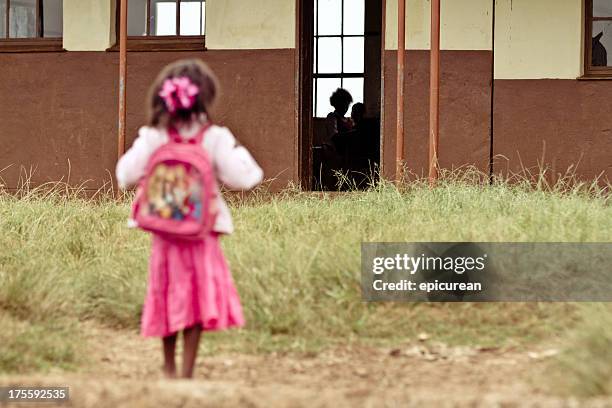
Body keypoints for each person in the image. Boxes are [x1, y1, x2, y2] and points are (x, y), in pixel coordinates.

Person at [115, 59, 263, 379]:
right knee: (196, 298)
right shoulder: (215, 137)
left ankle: (168, 369)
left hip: (164, 233)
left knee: (166, 293)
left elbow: (124, 174)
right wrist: (237, 150)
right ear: (206, 96)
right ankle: (187, 372)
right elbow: (245, 178)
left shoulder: (154, 136)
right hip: (202, 234)